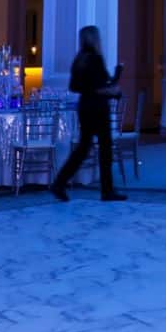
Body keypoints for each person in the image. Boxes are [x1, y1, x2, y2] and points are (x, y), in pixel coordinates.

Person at [50, 25, 125, 202]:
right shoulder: (96, 59)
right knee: (105, 148)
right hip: (98, 107)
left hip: (84, 106)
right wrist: (113, 92)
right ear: (95, 39)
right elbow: (102, 86)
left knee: (83, 148)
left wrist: (116, 74)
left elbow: (74, 86)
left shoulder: (79, 59)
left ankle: (59, 183)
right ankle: (107, 190)